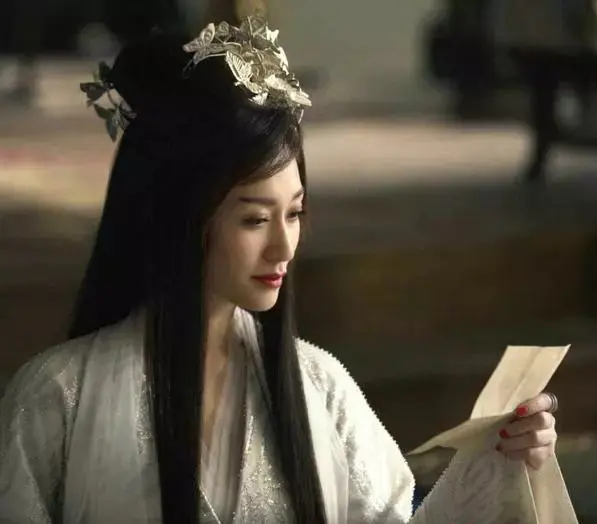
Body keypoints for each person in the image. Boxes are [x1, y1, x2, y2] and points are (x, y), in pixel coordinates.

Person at [0, 16, 561, 524]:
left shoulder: (321, 387)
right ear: (176, 216)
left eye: (294, 213)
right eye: (254, 220)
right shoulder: (59, 397)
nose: (283, 247)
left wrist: (498, 463)